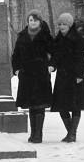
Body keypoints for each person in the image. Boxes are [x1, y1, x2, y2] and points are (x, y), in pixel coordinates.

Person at [49, 12, 84, 142]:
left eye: (64, 24)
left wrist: (79, 75)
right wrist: (52, 65)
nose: (61, 26)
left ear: (70, 25)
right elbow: (55, 56)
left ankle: (72, 134)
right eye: (60, 24)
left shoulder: (77, 39)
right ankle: (71, 133)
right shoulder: (58, 40)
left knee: (75, 105)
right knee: (61, 106)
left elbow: (81, 58)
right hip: (62, 76)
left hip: (75, 76)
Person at [11, 9, 53, 143]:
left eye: (35, 20)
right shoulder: (22, 36)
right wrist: (16, 69)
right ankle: (33, 133)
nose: (32, 22)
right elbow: (15, 55)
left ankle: (38, 135)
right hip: (27, 75)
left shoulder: (46, 36)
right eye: (30, 20)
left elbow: (56, 53)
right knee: (31, 105)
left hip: (41, 74)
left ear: (39, 21)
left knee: (39, 105)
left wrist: (51, 66)